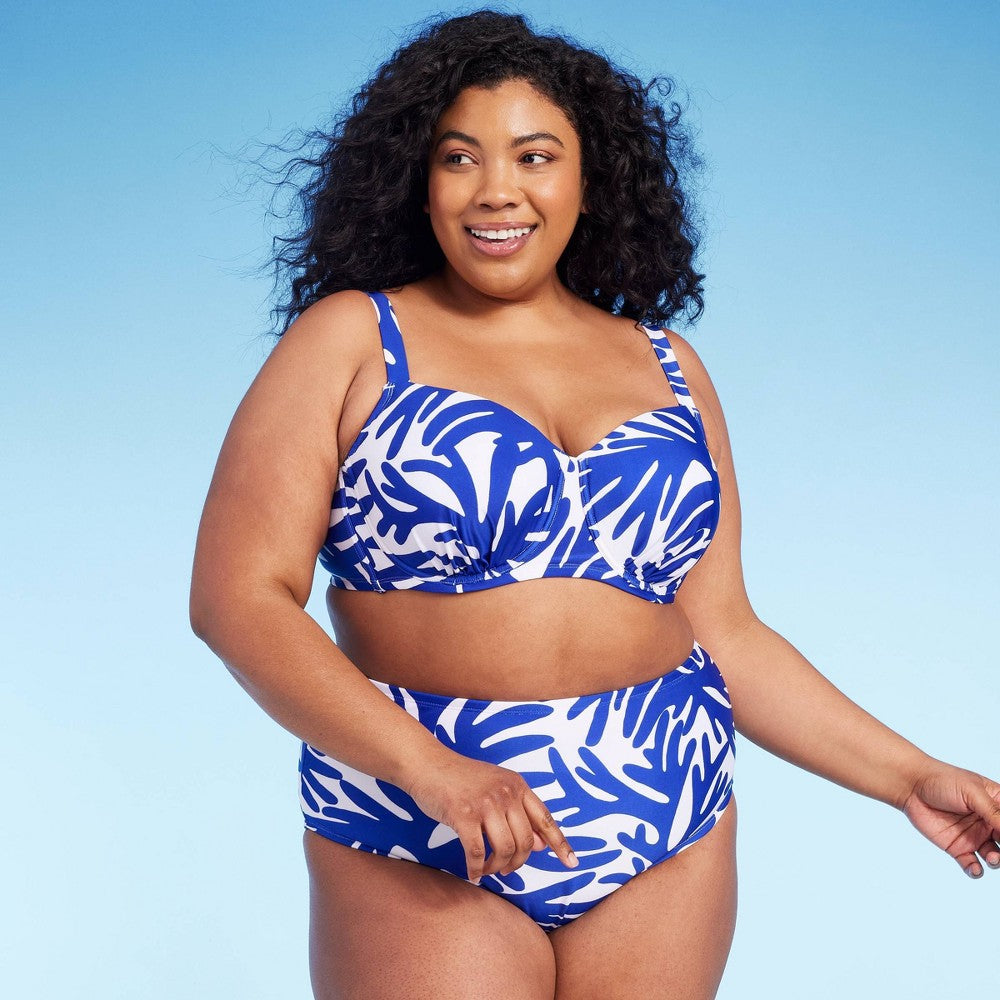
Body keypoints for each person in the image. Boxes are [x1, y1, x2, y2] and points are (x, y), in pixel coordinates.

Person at [189, 10, 1000, 999]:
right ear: (418, 180)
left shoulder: (668, 365)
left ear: (589, 179)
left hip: (665, 809)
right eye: (459, 158)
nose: (497, 190)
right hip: (420, 819)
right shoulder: (353, 339)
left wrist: (908, 775)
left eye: (534, 157)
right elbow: (237, 600)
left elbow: (727, 635)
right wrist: (429, 769)